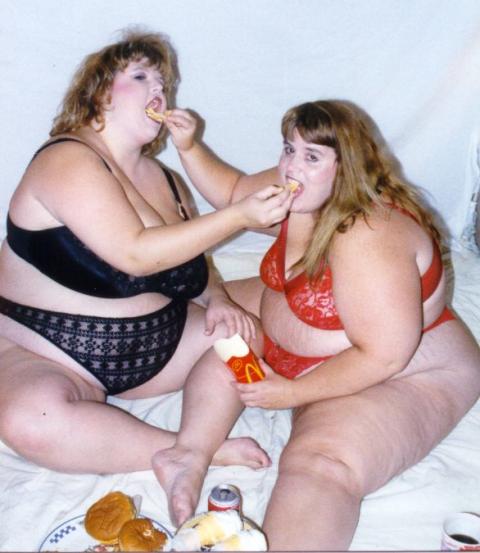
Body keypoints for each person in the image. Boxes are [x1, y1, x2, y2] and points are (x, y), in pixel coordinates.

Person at [154, 99, 480, 549]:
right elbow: (234, 193)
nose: (292, 166)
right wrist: (189, 147)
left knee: (319, 464)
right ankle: (188, 454)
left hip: (396, 368)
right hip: (306, 342)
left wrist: (291, 393)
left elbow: (385, 355)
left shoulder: (370, 237)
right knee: (195, 317)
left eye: (311, 156)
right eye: (289, 149)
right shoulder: (299, 185)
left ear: (347, 167)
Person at [0, 31, 293, 492]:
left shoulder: (168, 180)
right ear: (99, 92)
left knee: (245, 340)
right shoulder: (66, 159)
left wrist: (217, 299)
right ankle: (193, 449)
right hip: (49, 351)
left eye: (163, 83)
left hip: (161, 346)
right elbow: (134, 254)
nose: (158, 89)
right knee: (29, 423)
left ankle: (195, 448)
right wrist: (238, 215)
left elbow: (194, 265)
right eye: (140, 76)